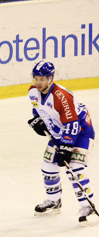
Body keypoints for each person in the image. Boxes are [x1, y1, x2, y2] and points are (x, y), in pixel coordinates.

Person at [26, 60, 97, 226]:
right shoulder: (32, 91)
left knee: (75, 168)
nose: (38, 82)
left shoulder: (62, 96)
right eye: (36, 78)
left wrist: (65, 148)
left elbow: (72, 124)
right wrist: (38, 121)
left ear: (51, 79)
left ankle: (88, 207)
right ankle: (54, 201)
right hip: (58, 131)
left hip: (80, 132)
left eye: (42, 79)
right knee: (48, 166)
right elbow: (38, 109)